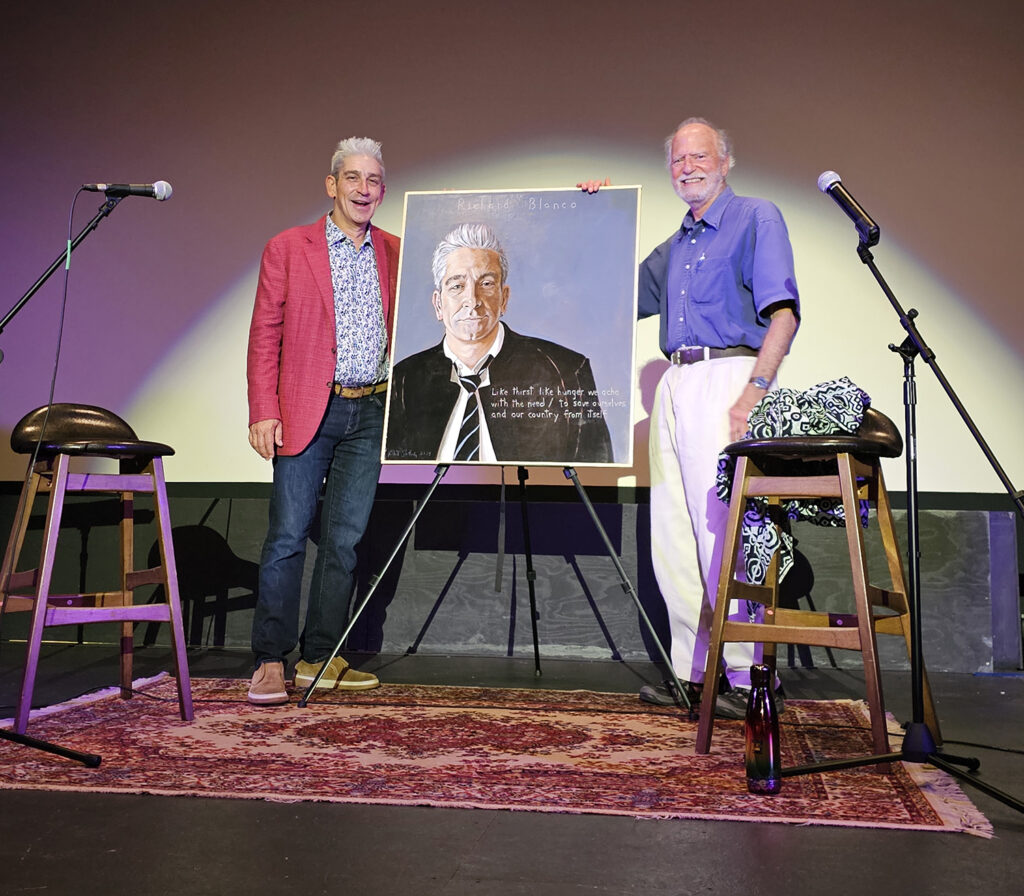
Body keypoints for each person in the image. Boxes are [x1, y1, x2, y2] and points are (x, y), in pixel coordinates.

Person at [580, 117, 800, 718]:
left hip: (728, 376)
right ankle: (696, 672)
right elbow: (612, 294)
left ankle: (749, 675)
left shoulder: (756, 217)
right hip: (676, 381)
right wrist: (598, 218)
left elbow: (783, 313)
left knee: (722, 531)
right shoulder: (676, 244)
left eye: (699, 156)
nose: (688, 167)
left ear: (725, 162)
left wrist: (754, 391)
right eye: (678, 159)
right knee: (674, 535)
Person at [245, 137, 400, 705]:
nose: (364, 189)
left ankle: (319, 657)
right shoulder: (289, 247)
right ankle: (269, 660)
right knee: (287, 537)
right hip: (308, 407)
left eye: (374, 181)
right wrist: (263, 409)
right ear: (332, 184)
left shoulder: (395, 250)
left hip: (371, 409)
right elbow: (264, 334)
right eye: (353, 178)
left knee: (344, 543)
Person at [385, 223, 613, 465]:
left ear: (504, 298)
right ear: (438, 304)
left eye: (486, 284)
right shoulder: (404, 379)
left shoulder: (567, 371)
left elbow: (595, 468)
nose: (472, 300)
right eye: (457, 286)